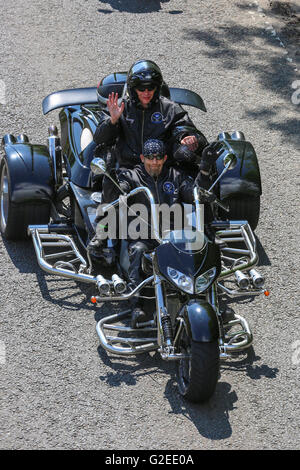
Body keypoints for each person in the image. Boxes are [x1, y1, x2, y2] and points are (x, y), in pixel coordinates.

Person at [93, 138, 223, 327]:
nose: (154, 162)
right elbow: (115, 196)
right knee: (137, 251)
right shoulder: (131, 176)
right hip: (145, 236)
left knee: (203, 246)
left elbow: (196, 195)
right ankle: (136, 305)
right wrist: (109, 174)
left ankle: (215, 299)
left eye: (159, 157)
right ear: (142, 158)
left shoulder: (175, 175)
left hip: (174, 235)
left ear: (165, 158)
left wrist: (204, 170)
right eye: (150, 157)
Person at [93, 59, 208, 175]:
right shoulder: (119, 108)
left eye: (151, 88)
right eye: (141, 89)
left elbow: (186, 128)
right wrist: (112, 121)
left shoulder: (169, 108)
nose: (146, 93)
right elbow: (99, 139)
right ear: (133, 89)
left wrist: (186, 137)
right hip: (128, 169)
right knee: (104, 179)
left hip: (162, 168)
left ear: (157, 88)